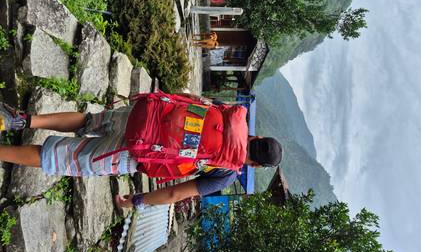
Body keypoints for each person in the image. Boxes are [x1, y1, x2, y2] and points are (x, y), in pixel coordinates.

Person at [0, 94, 282, 210]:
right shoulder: (226, 173)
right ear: (255, 165)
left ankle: (23, 120)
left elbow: (189, 101)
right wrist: (135, 201)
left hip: (142, 114)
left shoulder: (229, 113)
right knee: (61, 159)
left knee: (88, 120)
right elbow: (174, 193)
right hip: (135, 151)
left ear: (256, 136)